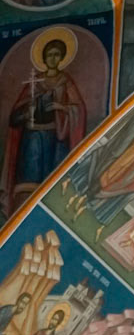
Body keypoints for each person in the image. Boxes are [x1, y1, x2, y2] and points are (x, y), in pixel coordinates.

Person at [3, 34, 86, 209]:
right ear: (44, 58)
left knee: (51, 183)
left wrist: (60, 107)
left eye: (56, 54)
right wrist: (28, 109)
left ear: (62, 58)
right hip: (31, 138)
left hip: (54, 138)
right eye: (49, 55)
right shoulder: (35, 81)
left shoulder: (65, 81)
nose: (52, 58)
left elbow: (78, 109)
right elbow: (17, 112)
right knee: (28, 181)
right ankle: (21, 211)